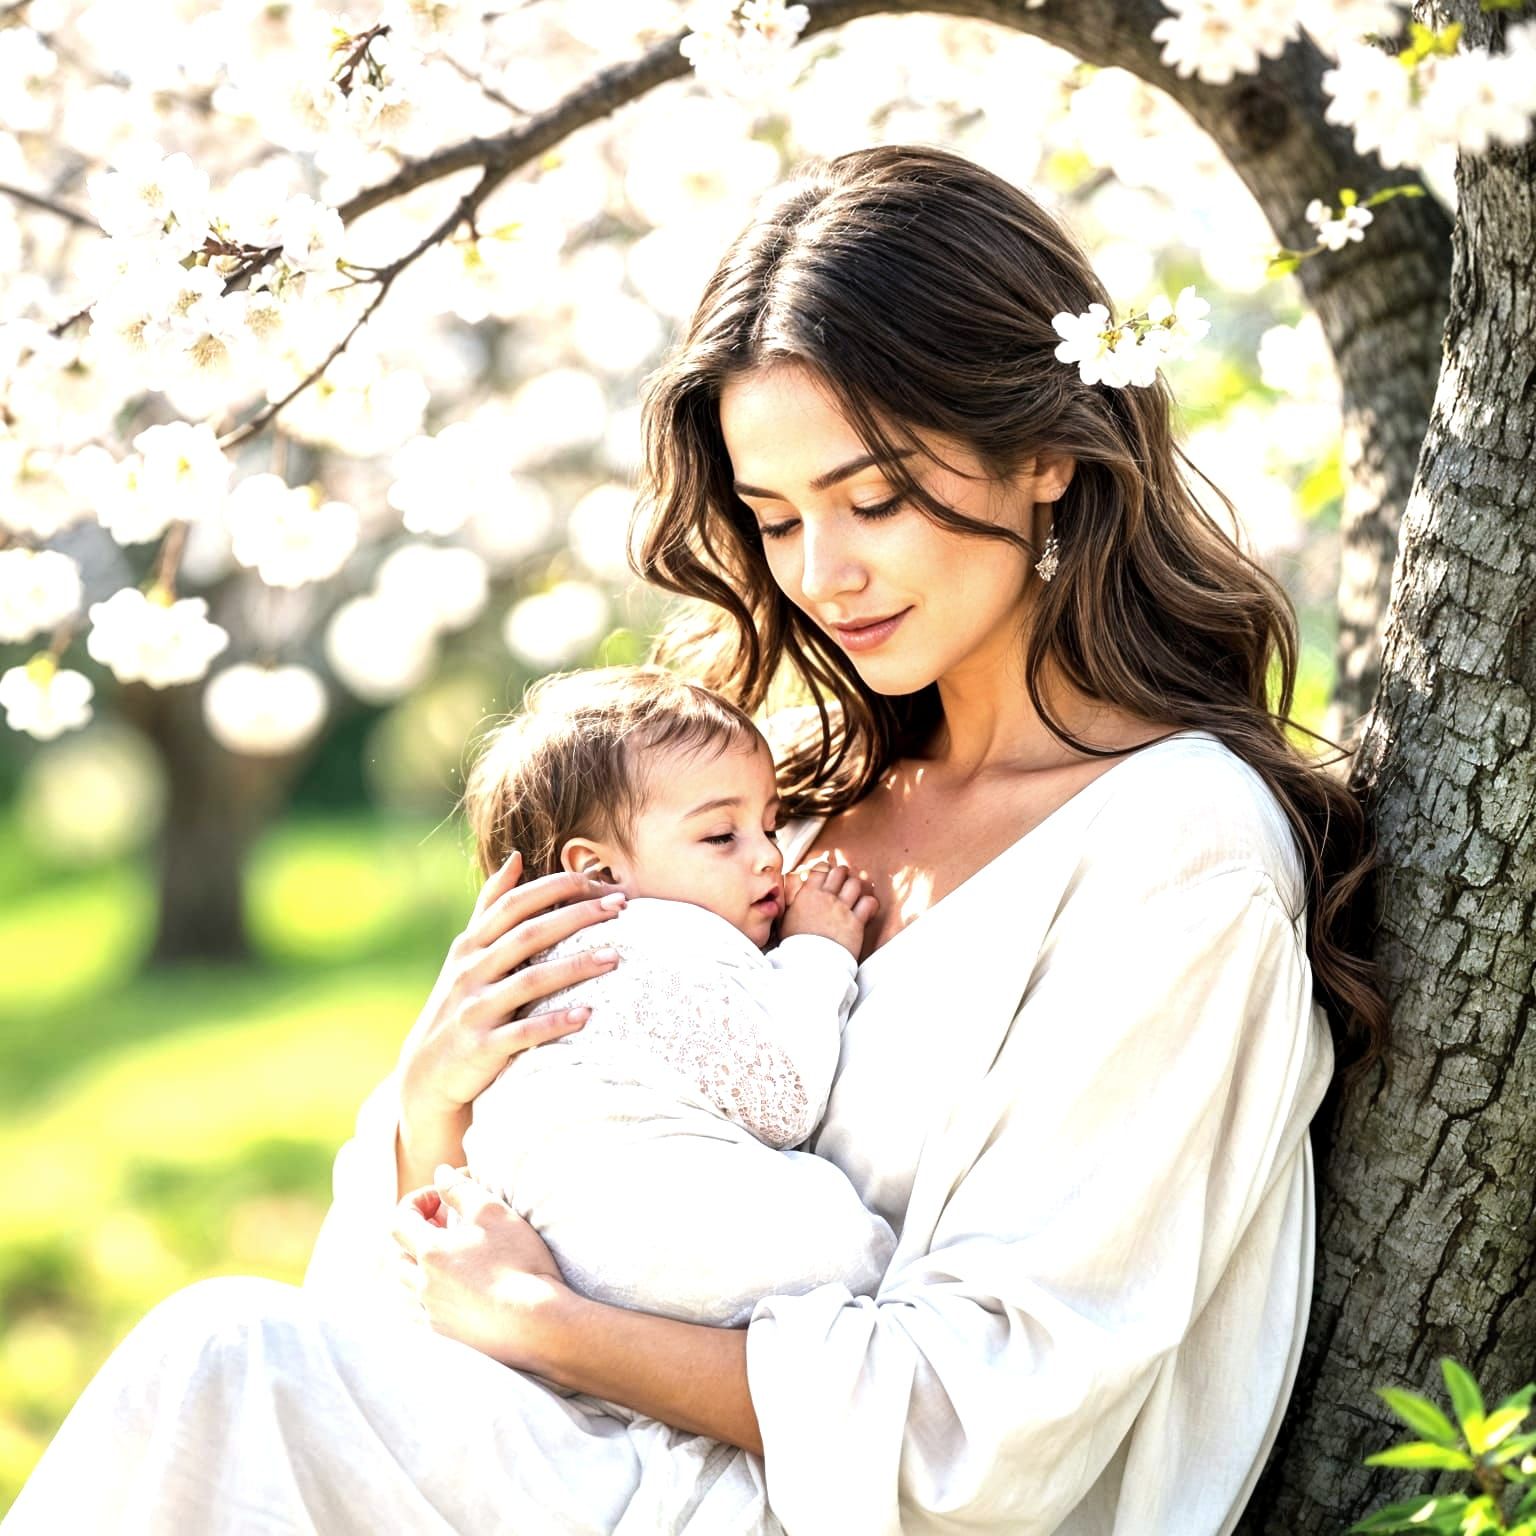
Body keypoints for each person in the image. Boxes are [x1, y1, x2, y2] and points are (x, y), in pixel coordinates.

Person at [1, 142, 1387, 1536]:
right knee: (226, 1364)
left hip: (809, 1504)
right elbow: (456, 1238)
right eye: (775, 518)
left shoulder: (1176, 850)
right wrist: (435, 1104)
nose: (822, 574)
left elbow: (980, 1420)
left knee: (225, 1365)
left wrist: (550, 1326)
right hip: (599, 1443)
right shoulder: (764, 807)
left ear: (1041, 454)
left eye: (876, 497)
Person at [364, 663, 898, 1339]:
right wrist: (819, 951)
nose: (770, 857)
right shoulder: (661, 941)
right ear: (597, 872)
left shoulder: (524, 974)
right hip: (699, 1255)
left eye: (772, 825)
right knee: (849, 1238)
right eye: (720, 837)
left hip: (557, 1263)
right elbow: (783, 1099)